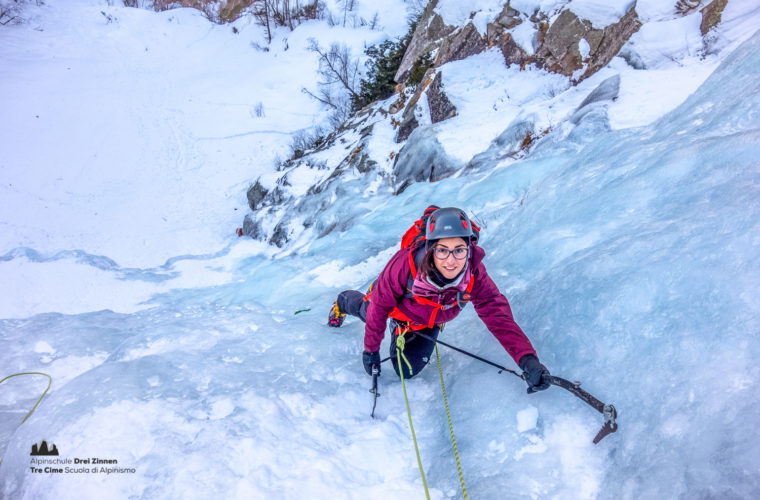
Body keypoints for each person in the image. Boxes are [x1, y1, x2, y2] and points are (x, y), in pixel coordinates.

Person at [328, 206, 551, 393]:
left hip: (427, 319)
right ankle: (345, 300)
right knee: (370, 312)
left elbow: (497, 315)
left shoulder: (474, 273)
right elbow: (379, 310)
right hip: (395, 305)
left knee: (406, 371)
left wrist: (527, 359)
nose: (451, 261)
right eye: (442, 250)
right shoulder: (403, 267)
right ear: (431, 249)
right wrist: (371, 351)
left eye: (459, 250)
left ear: (469, 249)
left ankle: (396, 316)